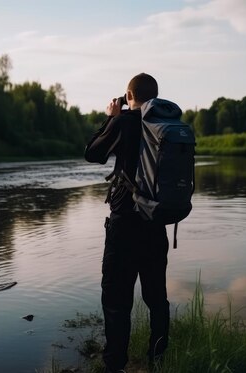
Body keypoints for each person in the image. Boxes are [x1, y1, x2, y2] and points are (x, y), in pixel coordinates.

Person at [84, 73, 170, 373]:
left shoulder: (124, 122)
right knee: (157, 297)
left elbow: (92, 154)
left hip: (124, 226)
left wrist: (110, 118)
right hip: (156, 223)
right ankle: (158, 361)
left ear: (128, 96)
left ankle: (115, 366)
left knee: (117, 299)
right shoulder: (167, 127)